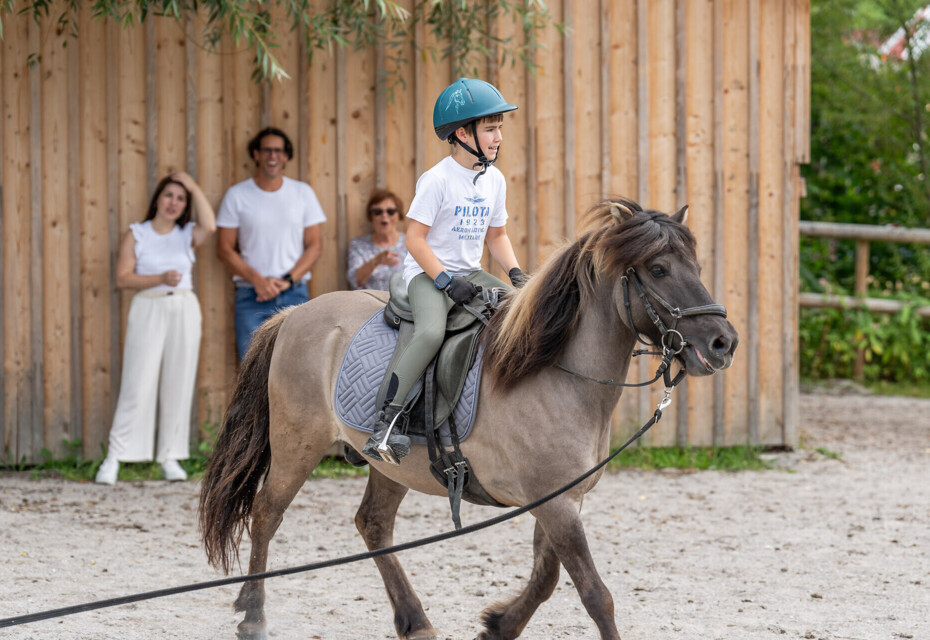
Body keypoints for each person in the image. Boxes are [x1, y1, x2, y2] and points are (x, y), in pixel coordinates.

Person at [362, 78, 527, 465]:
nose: (499, 137)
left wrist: (517, 275)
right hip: (425, 274)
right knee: (432, 332)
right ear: (462, 133)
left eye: (500, 128)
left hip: (470, 272)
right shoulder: (436, 180)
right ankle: (387, 423)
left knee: (523, 312)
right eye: (491, 129)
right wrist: (444, 282)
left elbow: (497, 235)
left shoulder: (495, 180)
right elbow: (414, 240)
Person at [95, 172, 217, 485]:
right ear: (157, 199)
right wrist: (158, 278)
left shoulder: (187, 233)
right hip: (148, 305)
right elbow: (123, 278)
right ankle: (115, 456)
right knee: (138, 381)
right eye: (169, 196)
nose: (173, 202)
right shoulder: (138, 233)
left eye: (180, 198)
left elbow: (211, 225)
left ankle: (169, 456)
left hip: (184, 308)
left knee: (179, 380)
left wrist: (192, 185)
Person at [216, 126, 327, 360]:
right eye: (266, 150)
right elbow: (224, 249)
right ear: (256, 154)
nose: (272, 156)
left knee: (296, 364)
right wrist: (257, 280)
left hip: (294, 293)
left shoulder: (302, 193)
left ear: (286, 156)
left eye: (278, 151)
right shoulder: (237, 195)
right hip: (250, 295)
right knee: (252, 368)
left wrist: (287, 280)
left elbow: (315, 245)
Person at [346, 188, 408, 291]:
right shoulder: (359, 245)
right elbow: (354, 280)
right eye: (377, 212)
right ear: (371, 216)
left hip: (404, 305)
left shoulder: (410, 243)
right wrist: (376, 261)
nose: (384, 215)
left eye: (391, 211)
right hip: (370, 305)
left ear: (399, 215)